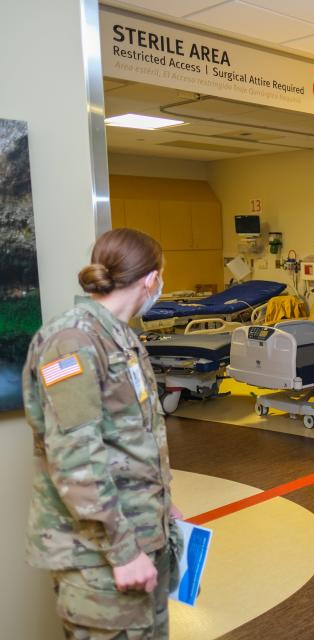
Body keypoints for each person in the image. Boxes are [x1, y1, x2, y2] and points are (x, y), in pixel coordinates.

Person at [22, 228, 182, 639]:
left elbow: (134, 439)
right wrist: (124, 552)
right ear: (151, 279)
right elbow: (76, 458)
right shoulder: (72, 343)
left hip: (142, 538)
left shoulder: (122, 337)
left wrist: (164, 507)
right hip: (101, 560)